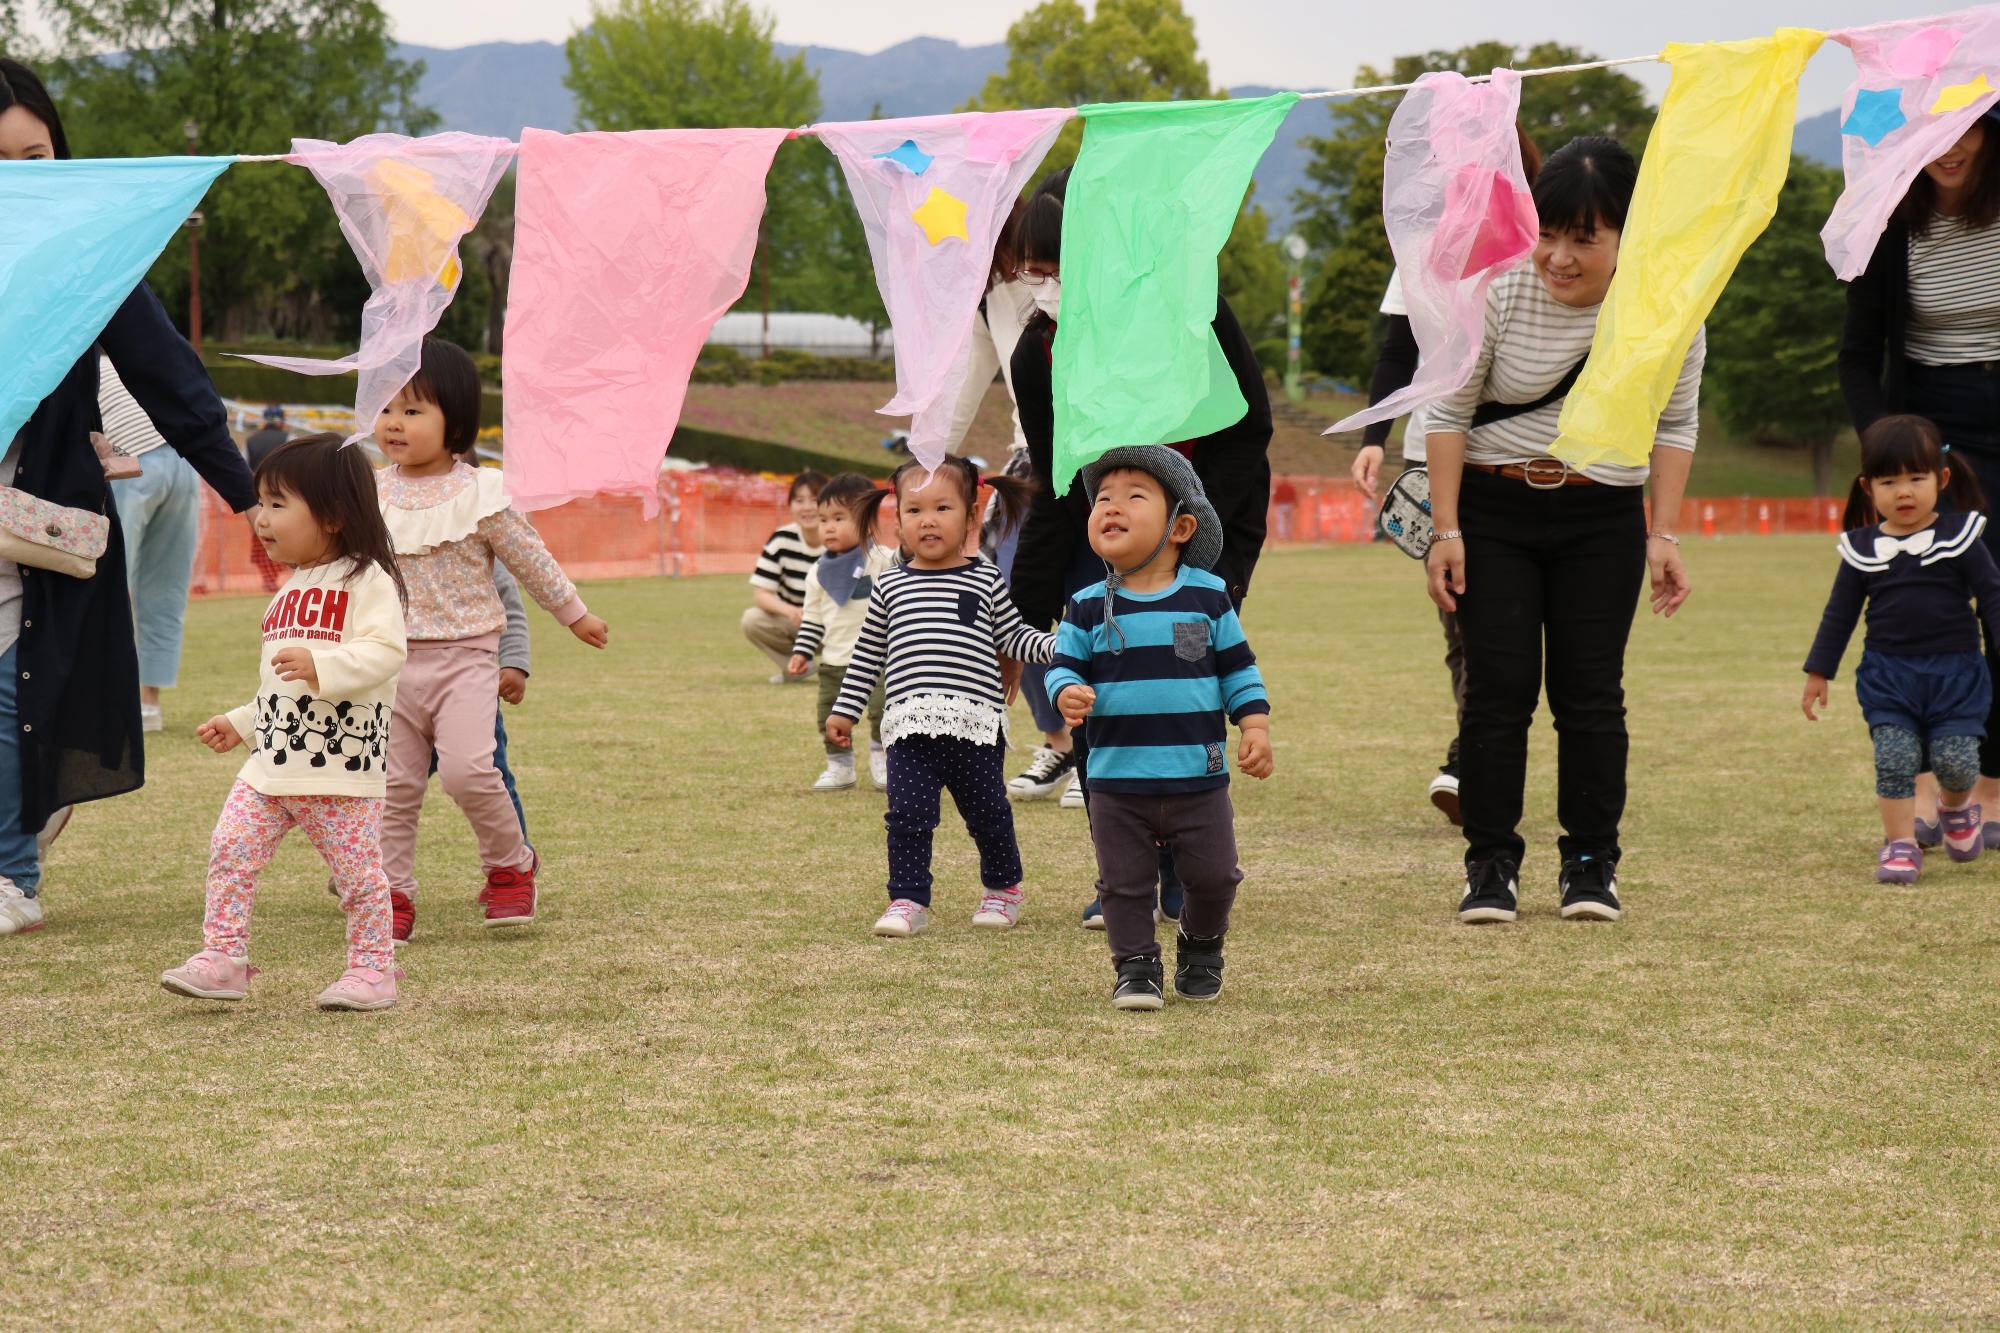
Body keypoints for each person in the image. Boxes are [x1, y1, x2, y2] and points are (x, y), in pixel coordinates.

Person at [0, 59, 260, 940]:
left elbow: (169, 377)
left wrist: (249, 495)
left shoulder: (86, 256)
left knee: (9, 683)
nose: (20, 179)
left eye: (35, 157)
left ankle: (12, 875)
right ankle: (29, 808)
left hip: (32, 517)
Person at [1424, 136, 1699, 927]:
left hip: (1602, 513)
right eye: (1549, 232)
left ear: (1628, 236)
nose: (1560, 256)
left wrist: (1665, 535)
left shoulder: (1665, 308)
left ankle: (1590, 863)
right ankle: (1490, 866)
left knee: (1589, 696)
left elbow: (1675, 423)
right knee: (1497, 691)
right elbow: (1448, 409)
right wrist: (1446, 529)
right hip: (1493, 509)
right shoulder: (1498, 286)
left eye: (1586, 237)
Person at [1006, 166, 1274, 930]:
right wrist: (1019, 613)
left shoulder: (1190, 313)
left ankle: (1186, 869)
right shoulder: (1040, 353)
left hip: (1201, 527)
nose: (1047, 285)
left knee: (1181, 697)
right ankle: (1121, 870)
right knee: (1102, 704)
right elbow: (1059, 483)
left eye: (1061, 269)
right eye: (1036, 271)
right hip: (1100, 529)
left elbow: (1248, 431)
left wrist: (1194, 542)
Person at [160, 434, 408, 1010]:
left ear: (335, 515)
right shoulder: (288, 590)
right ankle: (224, 958)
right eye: (261, 504)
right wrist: (244, 722)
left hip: (338, 769)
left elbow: (385, 654)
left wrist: (323, 664)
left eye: (277, 504)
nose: (262, 519)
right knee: (229, 848)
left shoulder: (369, 582)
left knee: (359, 878)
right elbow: (281, 685)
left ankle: (372, 971)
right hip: (270, 767)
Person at [376, 338, 609, 941]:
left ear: (456, 422)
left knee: (468, 772)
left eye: (413, 410)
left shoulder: (482, 491)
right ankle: (391, 895)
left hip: (467, 658)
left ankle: (511, 867)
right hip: (390, 662)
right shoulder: (370, 492)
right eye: (387, 408)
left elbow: (531, 560)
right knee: (394, 786)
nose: (394, 423)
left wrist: (574, 614)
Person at [1350, 128, 1544, 826]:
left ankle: (1480, 754)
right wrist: (1375, 437)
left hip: (1527, 453)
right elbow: (1397, 351)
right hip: (1435, 453)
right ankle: (1473, 757)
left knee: (1508, 626)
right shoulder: (1423, 248)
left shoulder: (1543, 243)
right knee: (1462, 619)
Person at [1045, 447, 1273, 1011]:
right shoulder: (1084, 605)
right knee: (1122, 884)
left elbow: (1236, 668)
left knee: (1216, 877)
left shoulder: (1207, 597)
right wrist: (1065, 692)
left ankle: (1201, 944)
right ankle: (1135, 965)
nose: (1111, 507)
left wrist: (1255, 724)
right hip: (1116, 779)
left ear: (1181, 527)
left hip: (1199, 777)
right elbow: (1063, 666)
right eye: (1102, 499)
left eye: (1134, 496)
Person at [1839, 106, 2000, 849]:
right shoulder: (1887, 224)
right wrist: (1885, 446)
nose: (1951, 148)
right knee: (1920, 606)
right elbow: (1856, 355)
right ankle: (1930, 794)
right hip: (1927, 431)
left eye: (1967, 127)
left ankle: (1989, 790)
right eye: (1934, 133)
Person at [827, 457, 1051, 938]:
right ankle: (907, 899)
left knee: (989, 813)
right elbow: (868, 655)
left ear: (971, 517)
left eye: (943, 507)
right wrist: (845, 709)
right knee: (906, 816)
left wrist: (1058, 646)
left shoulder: (985, 578)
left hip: (975, 727)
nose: (928, 520)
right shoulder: (890, 584)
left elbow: (1013, 637)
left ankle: (1004, 888)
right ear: (899, 522)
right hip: (908, 727)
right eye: (914, 510)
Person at [1803, 416, 2000, 884]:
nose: (1904, 491)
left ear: (1942, 479)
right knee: (1894, 759)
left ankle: (1956, 811)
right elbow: (1839, 614)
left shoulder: (1962, 539)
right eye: (1889, 481)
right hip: (1889, 676)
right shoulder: (1862, 549)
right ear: (1868, 487)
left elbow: (1992, 594)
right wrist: (1818, 672)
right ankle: (1900, 845)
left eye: (1916, 477)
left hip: (1956, 676)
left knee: (1957, 762)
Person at [99, 356, 202, 735]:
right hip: (182, 463)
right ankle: (148, 705)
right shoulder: (131, 358)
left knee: (105, 583)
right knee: (164, 590)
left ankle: (106, 698)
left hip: (127, 463)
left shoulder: (70, 359)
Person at [787, 474, 894, 791]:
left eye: (838, 518)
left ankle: (884, 760)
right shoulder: (817, 572)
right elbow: (813, 618)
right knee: (828, 715)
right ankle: (840, 765)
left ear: (866, 522)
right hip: (834, 662)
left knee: (882, 711)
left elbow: (909, 564)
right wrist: (801, 652)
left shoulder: (881, 560)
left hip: (879, 660)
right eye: (823, 520)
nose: (828, 527)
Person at [742, 471, 827, 683]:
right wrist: (790, 611)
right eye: (799, 501)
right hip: (796, 622)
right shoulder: (781, 539)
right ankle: (797, 667)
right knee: (752, 619)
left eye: (815, 500)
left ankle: (844, 672)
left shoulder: (842, 537)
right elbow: (761, 594)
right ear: (790, 506)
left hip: (834, 624)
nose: (807, 507)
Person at [245, 404, 290, 470]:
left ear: (264, 421)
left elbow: (243, 466)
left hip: (255, 479)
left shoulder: (250, 440)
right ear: (281, 421)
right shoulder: (289, 438)